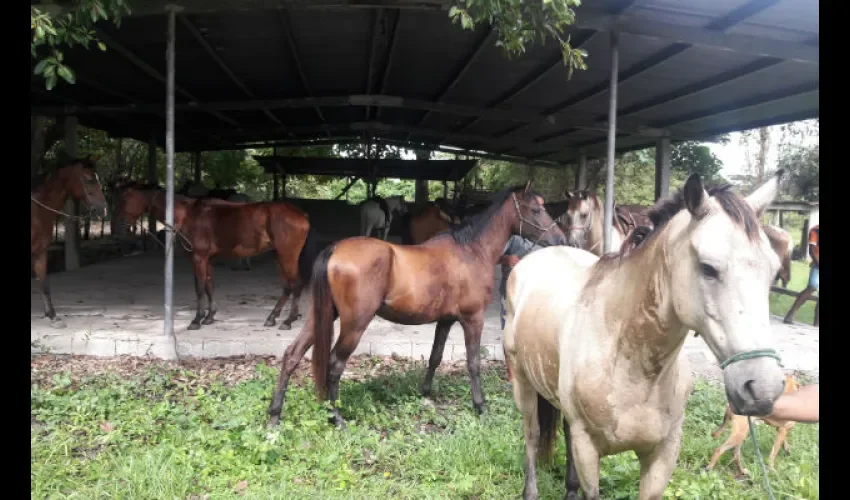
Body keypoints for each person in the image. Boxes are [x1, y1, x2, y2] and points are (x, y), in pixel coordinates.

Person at [784, 224, 818, 325]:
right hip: (818, 263)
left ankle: (816, 323)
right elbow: (811, 250)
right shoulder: (816, 230)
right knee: (812, 287)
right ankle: (792, 313)